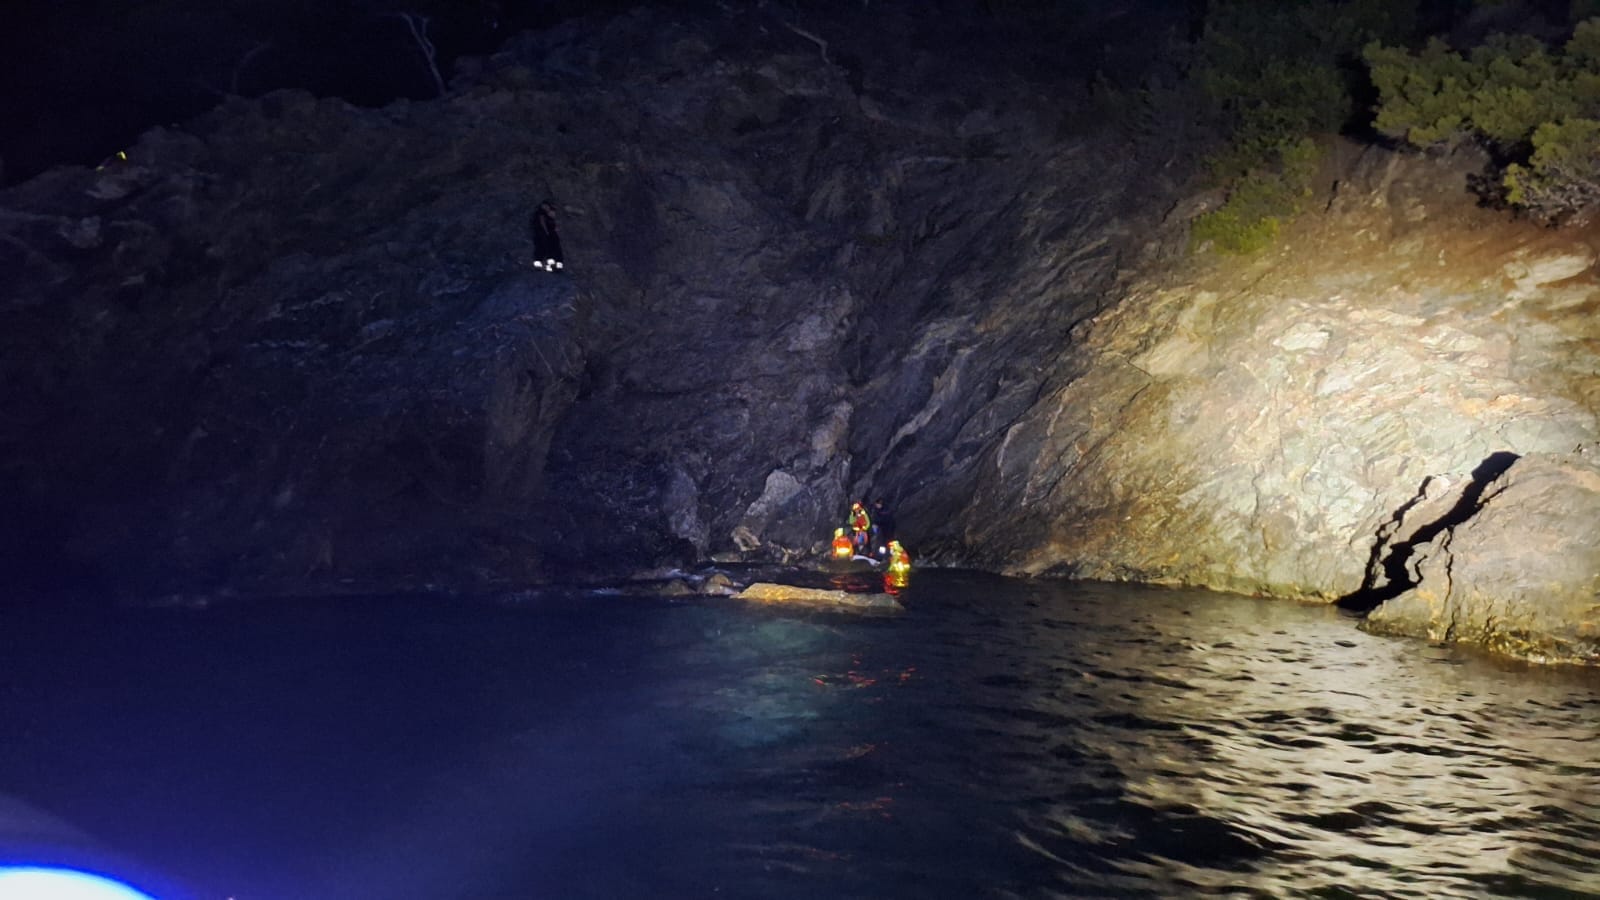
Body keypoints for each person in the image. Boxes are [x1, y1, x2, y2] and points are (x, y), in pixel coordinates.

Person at [529, 199, 564, 271]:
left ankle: (552, 266)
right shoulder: (541, 214)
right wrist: (547, 232)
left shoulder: (547, 217)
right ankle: (550, 266)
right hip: (544, 235)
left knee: (550, 249)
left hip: (547, 235)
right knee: (546, 249)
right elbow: (543, 224)